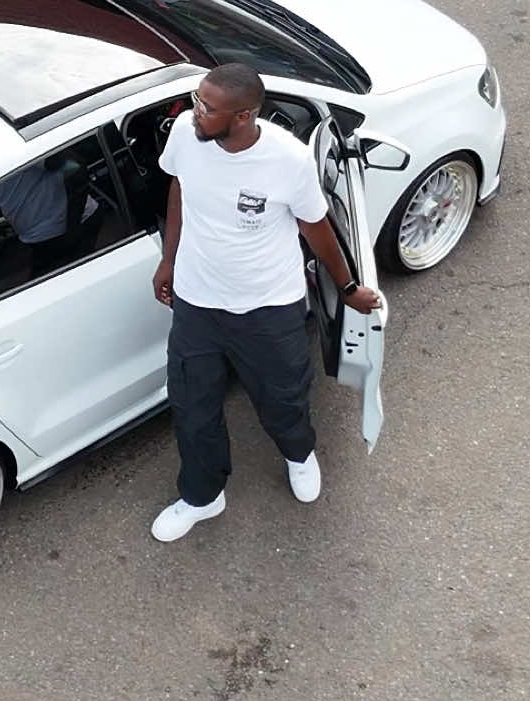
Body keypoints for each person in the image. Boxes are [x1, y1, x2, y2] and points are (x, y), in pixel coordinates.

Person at [149, 63, 381, 544]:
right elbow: (179, 190)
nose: (195, 113)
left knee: (283, 396)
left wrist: (348, 287)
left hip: (268, 307)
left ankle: (299, 455)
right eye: (197, 101)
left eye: (207, 108)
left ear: (243, 116)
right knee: (193, 405)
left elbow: (316, 229)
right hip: (198, 304)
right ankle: (202, 496)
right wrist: (168, 260)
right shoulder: (185, 135)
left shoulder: (287, 161)